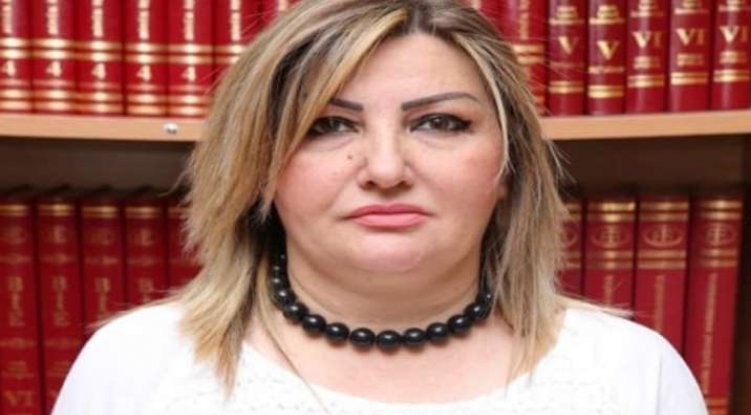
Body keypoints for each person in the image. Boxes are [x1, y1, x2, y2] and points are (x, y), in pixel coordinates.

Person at [52, 1, 708, 414]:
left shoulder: (630, 373)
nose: (386, 169)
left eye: (441, 123)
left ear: (509, 166)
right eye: (327, 125)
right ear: (259, 168)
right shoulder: (135, 366)